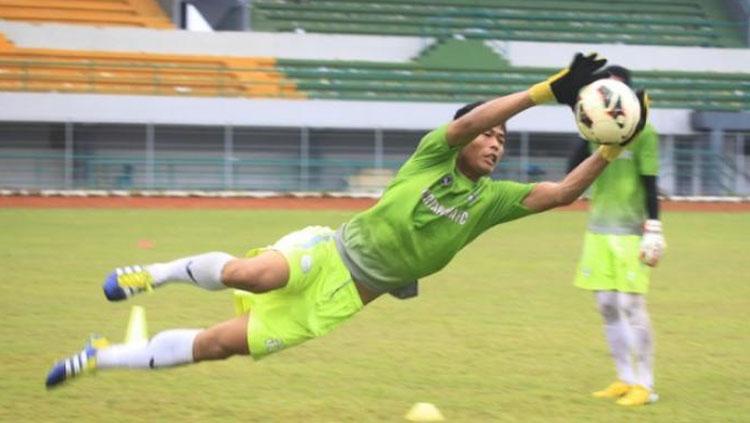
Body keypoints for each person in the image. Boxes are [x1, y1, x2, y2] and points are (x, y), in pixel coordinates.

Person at [45, 53, 646, 389]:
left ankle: (103, 357)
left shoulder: (490, 201)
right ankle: (154, 273)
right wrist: (544, 92)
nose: (495, 143)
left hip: (343, 298)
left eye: (502, 139)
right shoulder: (434, 152)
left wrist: (614, 146)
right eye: (489, 133)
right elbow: (464, 124)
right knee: (253, 275)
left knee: (218, 347)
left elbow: (564, 192)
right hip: (328, 251)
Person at [567, 65, 665, 406]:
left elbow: (650, 183)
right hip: (598, 231)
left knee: (631, 305)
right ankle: (624, 378)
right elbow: (571, 173)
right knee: (607, 305)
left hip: (630, 232)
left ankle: (646, 385)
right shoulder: (593, 130)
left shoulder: (646, 132)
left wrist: (654, 226)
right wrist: (587, 133)